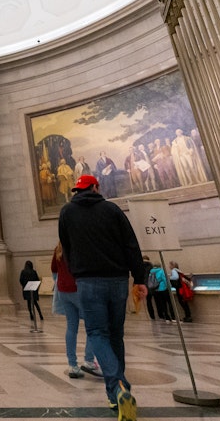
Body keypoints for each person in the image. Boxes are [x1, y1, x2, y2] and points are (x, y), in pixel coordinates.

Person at [58, 174, 147, 421]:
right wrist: (139, 278)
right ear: (96, 187)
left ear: (78, 189)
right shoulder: (112, 209)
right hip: (118, 280)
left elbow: (66, 247)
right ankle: (114, 394)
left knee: (97, 333)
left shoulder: (66, 212)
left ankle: (118, 387)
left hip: (87, 281)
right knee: (115, 334)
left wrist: (77, 271)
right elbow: (131, 245)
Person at [52, 243, 101, 379]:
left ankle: (72, 365)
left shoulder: (58, 248)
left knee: (71, 327)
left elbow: (54, 271)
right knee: (93, 324)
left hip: (63, 290)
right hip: (78, 288)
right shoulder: (78, 245)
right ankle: (89, 360)